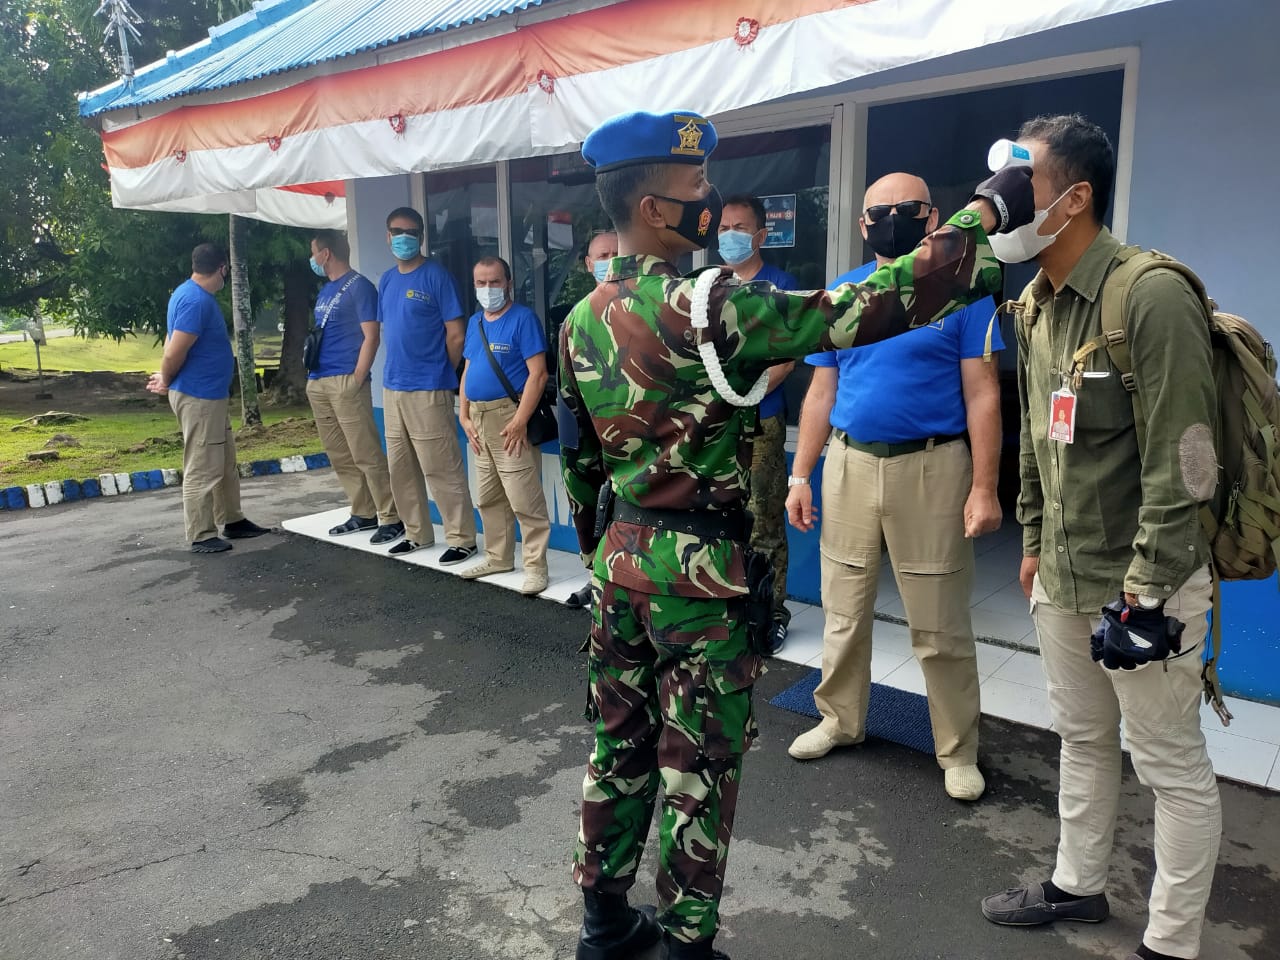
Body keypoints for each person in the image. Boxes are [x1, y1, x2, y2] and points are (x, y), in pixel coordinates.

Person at [559, 108, 1029, 960]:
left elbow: (583, 460)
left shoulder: (581, 316)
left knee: (616, 748)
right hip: (699, 578)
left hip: (620, 565)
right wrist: (985, 210)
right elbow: (866, 304)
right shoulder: (710, 307)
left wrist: (604, 548)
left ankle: (604, 925)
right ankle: (686, 943)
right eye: (697, 185)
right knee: (699, 766)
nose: (713, 201)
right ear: (656, 209)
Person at [977, 115, 1220, 960]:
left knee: (1170, 765)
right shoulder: (1034, 305)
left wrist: (1147, 591)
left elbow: (1189, 458)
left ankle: (1171, 942)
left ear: (1075, 198)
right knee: (1081, 739)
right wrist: (1032, 541)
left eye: (1021, 185)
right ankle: (1077, 886)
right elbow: (1039, 439)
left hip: (1146, 581)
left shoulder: (1148, 293)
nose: (999, 202)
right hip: (1064, 572)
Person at [783, 173, 1002, 803]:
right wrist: (800, 474)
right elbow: (820, 393)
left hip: (933, 467)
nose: (892, 220)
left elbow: (983, 393)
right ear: (862, 225)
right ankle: (839, 719)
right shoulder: (846, 296)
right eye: (879, 213)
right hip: (850, 464)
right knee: (843, 608)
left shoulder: (965, 294)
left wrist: (984, 487)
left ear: (932, 217)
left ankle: (957, 749)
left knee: (939, 621)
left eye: (907, 209)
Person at [146, 244, 269, 553]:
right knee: (202, 464)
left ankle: (232, 519)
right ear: (222, 268)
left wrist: (166, 377)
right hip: (198, 396)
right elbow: (175, 351)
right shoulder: (195, 301)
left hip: (210, 395)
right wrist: (166, 379)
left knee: (224, 461)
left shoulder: (187, 294)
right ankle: (201, 533)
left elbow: (171, 342)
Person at [717, 195, 797, 652]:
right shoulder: (709, 286)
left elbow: (787, 357)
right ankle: (731, 605)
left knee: (765, 520)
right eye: (724, 227)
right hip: (718, 426)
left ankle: (772, 613)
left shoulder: (780, 286)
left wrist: (747, 393)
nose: (729, 234)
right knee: (723, 516)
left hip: (762, 420)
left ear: (761, 235)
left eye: (740, 227)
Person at [377, 207, 478, 564]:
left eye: (410, 231)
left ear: (421, 236)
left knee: (441, 466)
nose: (403, 237)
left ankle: (462, 539)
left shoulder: (436, 276)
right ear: (388, 236)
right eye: (397, 231)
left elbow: (457, 335)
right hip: (393, 386)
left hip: (428, 387)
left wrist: (441, 372)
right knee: (400, 467)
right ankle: (416, 533)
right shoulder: (387, 280)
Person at [457, 256, 553, 595]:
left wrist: (519, 420)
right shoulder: (475, 322)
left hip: (509, 418)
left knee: (524, 498)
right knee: (487, 495)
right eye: (481, 283)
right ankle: (498, 557)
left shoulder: (523, 319)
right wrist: (463, 414)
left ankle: (536, 567)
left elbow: (538, 375)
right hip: (479, 419)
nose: (488, 289)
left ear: (508, 283)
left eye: (494, 282)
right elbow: (468, 369)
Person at [303, 230, 402, 547]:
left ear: (326, 254)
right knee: (339, 452)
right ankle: (363, 510)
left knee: (365, 451)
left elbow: (371, 335)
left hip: (345, 379)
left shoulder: (359, 287)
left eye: (314, 252)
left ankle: (391, 516)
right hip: (319, 379)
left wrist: (357, 377)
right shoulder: (325, 290)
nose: (312, 259)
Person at [565, 230, 619, 612]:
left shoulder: (643, 310)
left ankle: (619, 584)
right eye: (602, 255)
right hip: (591, 439)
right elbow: (567, 390)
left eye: (617, 253)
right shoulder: (577, 317)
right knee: (592, 512)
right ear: (588, 264)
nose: (610, 261)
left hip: (633, 439)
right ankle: (596, 577)